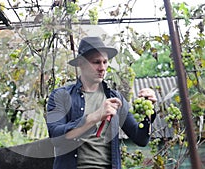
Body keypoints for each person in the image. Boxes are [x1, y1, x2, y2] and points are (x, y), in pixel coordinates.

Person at [46, 36, 157, 169]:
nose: (102, 68)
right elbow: (56, 138)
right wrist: (95, 117)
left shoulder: (116, 98)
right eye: (96, 62)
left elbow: (141, 139)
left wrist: (148, 114)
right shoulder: (61, 96)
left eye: (105, 62)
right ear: (81, 63)